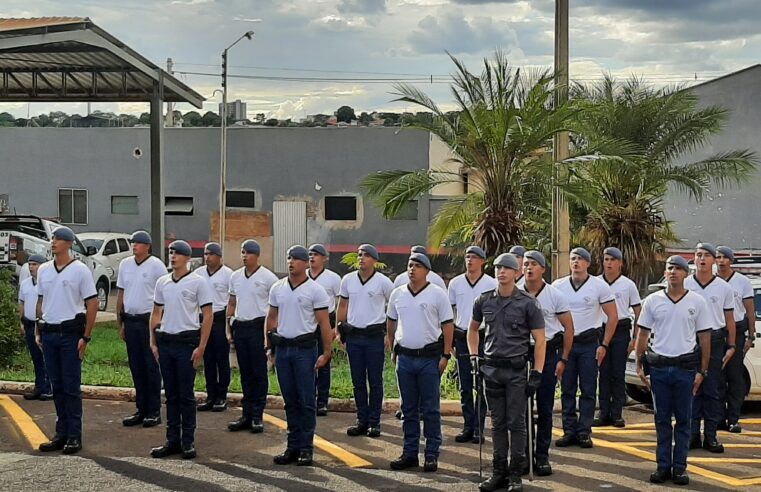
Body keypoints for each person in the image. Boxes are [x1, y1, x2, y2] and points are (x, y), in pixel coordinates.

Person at [470, 252, 545, 492]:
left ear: (516, 273)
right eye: (498, 268)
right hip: (491, 369)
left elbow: (540, 340)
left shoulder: (527, 302)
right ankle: (498, 472)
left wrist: (537, 372)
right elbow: (472, 330)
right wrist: (474, 356)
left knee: (517, 423)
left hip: (515, 370)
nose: (501, 272)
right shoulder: (483, 300)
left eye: (507, 268)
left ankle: (515, 474)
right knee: (497, 423)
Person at [635, 255, 711, 486]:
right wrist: (639, 364)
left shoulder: (697, 302)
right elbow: (643, 334)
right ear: (665, 273)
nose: (674, 272)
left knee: (684, 421)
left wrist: (703, 371)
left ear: (685, 274)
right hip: (659, 368)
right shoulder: (653, 301)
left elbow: (705, 337)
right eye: (670, 268)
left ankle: (680, 468)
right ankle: (662, 466)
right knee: (662, 420)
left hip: (685, 369)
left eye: (679, 269)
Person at [265, 245, 333, 466]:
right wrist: (269, 347)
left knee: (306, 401)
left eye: (296, 259)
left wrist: (327, 351)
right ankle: (292, 446)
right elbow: (271, 318)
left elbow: (324, 324)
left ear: (305, 263)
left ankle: (306, 447)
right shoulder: (278, 288)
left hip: (305, 350)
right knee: (290, 401)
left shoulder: (315, 290)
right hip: (283, 349)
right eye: (289, 258)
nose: (291, 262)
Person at [387, 252, 454, 473]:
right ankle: (409, 453)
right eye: (409, 265)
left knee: (431, 409)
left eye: (417, 266)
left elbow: (447, 325)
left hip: (429, 358)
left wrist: (445, 354)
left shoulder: (437, 294)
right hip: (405, 357)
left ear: (426, 270)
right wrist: (392, 345)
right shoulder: (398, 294)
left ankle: (432, 454)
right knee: (408, 409)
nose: (412, 269)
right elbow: (391, 321)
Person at [36, 226, 98, 455]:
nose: (54, 242)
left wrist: (86, 336)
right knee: (57, 386)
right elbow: (41, 301)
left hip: (70, 334)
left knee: (71, 386)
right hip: (49, 333)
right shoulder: (44, 270)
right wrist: (38, 328)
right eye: (53, 238)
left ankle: (74, 434)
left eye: (59, 239)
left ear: (69, 244)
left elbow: (92, 303)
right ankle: (61, 432)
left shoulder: (80, 270)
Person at [149, 240, 214, 459]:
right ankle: (172, 440)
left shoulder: (198, 282)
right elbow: (156, 312)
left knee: (186, 395)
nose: (173, 257)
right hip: (166, 342)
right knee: (171, 394)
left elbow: (208, 315)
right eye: (170, 253)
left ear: (187, 258)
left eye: (177, 254)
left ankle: (188, 441)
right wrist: (153, 341)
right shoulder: (162, 282)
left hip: (187, 343)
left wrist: (201, 347)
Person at [552, 247, 618, 449]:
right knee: (567, 389)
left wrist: (604, 345)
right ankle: (568, 430)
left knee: (588, 390)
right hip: (566, 344)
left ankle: (584, 432)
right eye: (573, 258)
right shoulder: (558, 285)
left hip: (589, 343)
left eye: (581, 259)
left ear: (588, 263)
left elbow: (613, 316)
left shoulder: (599, 287)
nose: (576, 263)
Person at [521, 250, 574, 476]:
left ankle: (542, 456)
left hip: (548, 355)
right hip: (520, 355)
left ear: (543, 268)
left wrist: (563, 358)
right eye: (525, 264)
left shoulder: (554, 295)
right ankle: (523, 456)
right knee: (521, 411)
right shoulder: (514, 293)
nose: (529, 268)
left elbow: (569, 328)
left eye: (534, 264)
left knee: (544, 408)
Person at [684, 242, 736, 453]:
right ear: (694, 259)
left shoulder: (723, 287)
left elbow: (729, 318)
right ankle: (693, 434)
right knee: (691, 388)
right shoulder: (686, 283)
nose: (702, 259)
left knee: (713, 390)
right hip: (690, 340)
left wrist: (732, 345)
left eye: (707, 255)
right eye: (698, 255)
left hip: (715, 340)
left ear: (714, 260)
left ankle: (711, 436)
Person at [337, 244, 394, 437]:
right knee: (357, 381)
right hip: (354, 336)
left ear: (375, 261)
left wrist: (389, 334)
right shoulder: (348, 280)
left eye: (367, 255)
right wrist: (340, 329)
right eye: (360, 255)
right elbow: (342, 305)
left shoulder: (383, 282)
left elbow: (393, 308)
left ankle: (375, 422)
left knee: (375, 381)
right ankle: (361, 420)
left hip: (374, 337)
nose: (362, 258)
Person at [227, 240, 278, 434]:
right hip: (241, 326)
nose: (244, 256)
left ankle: (257, 414)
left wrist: (270, 334)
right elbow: (232, 303)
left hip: (259, 327)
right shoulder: (236, 277)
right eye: (242, 252)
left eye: (248, 253)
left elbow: (275, 309)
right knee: (245, 373)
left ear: (257, 255)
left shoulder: (268, 278)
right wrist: (228, 327)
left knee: (259, 373)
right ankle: (246, 414)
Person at [117, 230, 165, 428]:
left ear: (147, 246)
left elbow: (164, 295)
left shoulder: (156, 266)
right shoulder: (125, 265)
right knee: (136, 366)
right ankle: (141, 408)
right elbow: (121, 293)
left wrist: (160, 323)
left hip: (148, 321)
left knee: (150, 367)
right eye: (132, 242)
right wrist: (120, 321)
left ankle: (154, 410)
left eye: (138, 242)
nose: (134, 245)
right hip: (131, 320)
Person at [447, 245, 495, 444]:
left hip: (484, 337)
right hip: (462, 336)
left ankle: (479, 428)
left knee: (482, 385)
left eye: (475, 257)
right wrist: (449, 342)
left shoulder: (491, 284)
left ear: (482, 261)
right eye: (467, 256)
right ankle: (468, 425)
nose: (470, 260)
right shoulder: (455, 283)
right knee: (465, 385)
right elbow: (450, 314)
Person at [595, 247, 642, 428]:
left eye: (613, 260)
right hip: (601, 330)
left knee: (618, 372)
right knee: (603, 373)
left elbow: (639, 312)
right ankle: (603, 411)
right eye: (606, 259)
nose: (608, 263)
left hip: (621, 330)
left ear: (620, 263)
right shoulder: (596, 283)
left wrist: (635, 337)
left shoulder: (627, 284)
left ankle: (617, 413)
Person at [716, 245, 756, 433]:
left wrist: (750, 335)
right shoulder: (712, 281)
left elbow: (749, 310)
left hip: (737, 331)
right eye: (718, 257)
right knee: (716, 377)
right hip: (716, 331)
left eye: (725, 257)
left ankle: (733, 418)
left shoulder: (742, 282)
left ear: (731, 260)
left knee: (735, 376)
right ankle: (717, 417)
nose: (721, 260)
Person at [196, 242, 233, 412]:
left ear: (219, 257)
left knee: (221, 359)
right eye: (205, 253)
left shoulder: (228, 275)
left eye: (211, 254)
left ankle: (222, 396)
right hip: (203, 318)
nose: (207, 257)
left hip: (219, 318)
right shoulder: (198, 274)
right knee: (208, 358)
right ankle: (210, 395)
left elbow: (232, 301)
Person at [308, 243, 341, 417]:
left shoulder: (332, 278)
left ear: (324, 258)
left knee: (324, 361)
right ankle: (308, 399)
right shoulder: (303, 276)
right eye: (310, 254)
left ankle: (322, 401)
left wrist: (337, 327)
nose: (312, 257)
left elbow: (341, 302)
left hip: (326, 322)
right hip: (306, 323)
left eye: (316, 254)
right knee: (307, 363)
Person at [17, 254, 52, 401]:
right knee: (36, 358)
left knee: (47, 358)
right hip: (30, 324)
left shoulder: (48, 283)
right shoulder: (25, 283)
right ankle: (39, 387)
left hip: (44, 325)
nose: (31, 267)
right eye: (30, 264)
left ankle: (49, 388)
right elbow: (21, 303)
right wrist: (21, 322)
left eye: (35, 264)